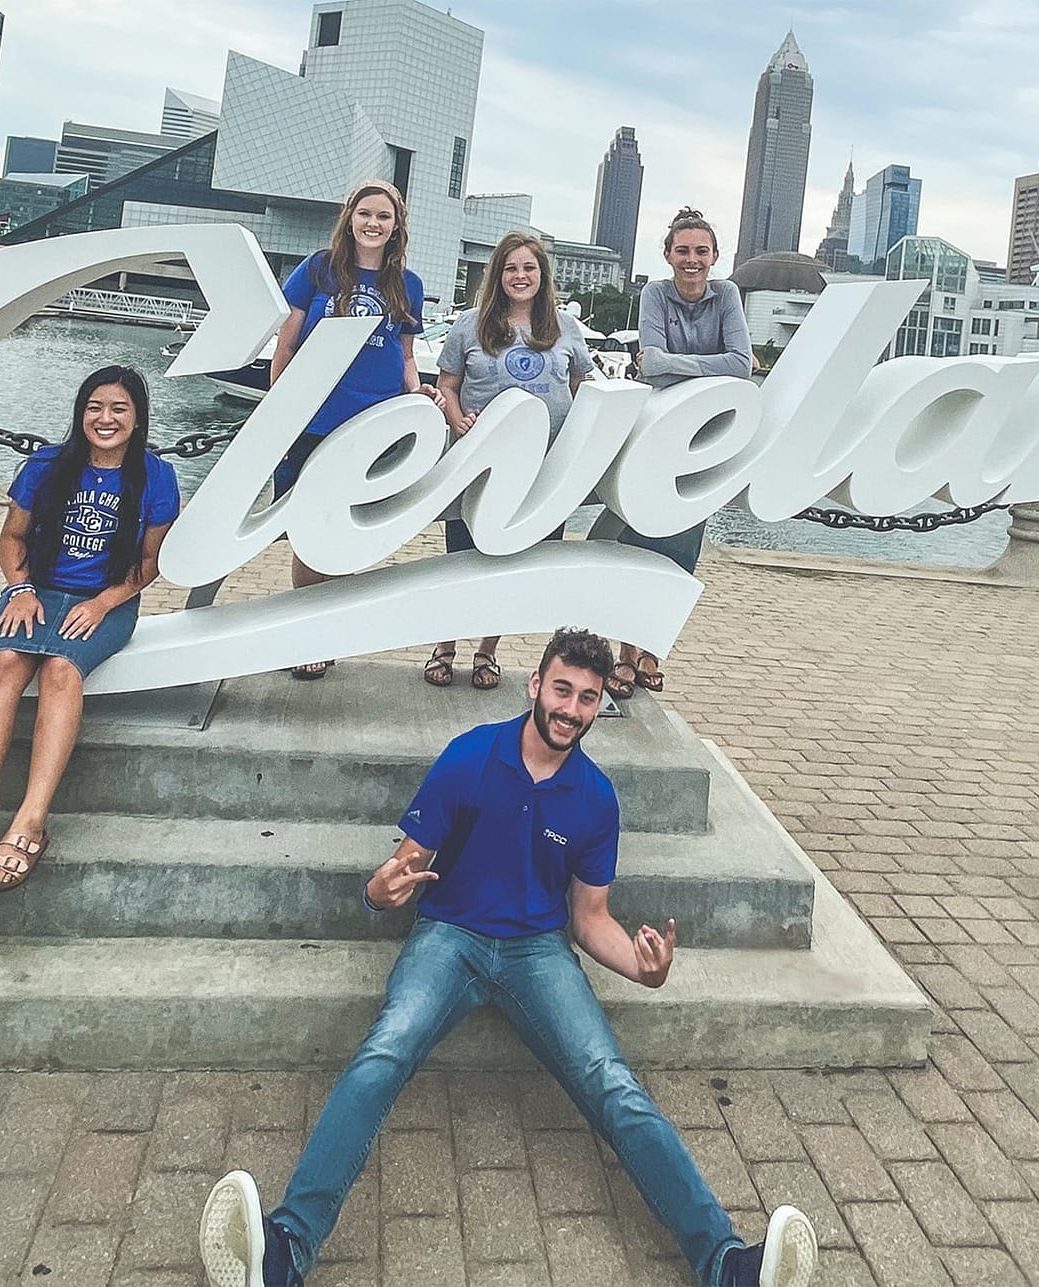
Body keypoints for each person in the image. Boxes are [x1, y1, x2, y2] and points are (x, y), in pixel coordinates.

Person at [198, 628, 819, 1287]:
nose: (571, 708)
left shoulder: (595, 797)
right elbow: (403, 869)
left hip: (537, 952)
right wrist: (379, 892)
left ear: (599, 701)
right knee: (386, 1049)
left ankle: (727, 1262)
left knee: (614, 1083)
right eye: (561, 689)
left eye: (586, 696)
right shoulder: (469, 758)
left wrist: (645, 969)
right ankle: (286, 1249)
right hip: (449, 937)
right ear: (535, 686)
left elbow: (590, 917)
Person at [0, 367, 180, 891]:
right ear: (79, 412)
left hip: (107, 599)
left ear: (137, 419)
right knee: (5, 662)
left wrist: (103, 603)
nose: (104, 419)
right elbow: (13, 538)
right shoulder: (46, 465)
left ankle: (30, 821)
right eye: (94, 407)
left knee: (62, 670)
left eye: (118, 409)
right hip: (34, 591)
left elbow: (151, 561)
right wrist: (19, 589)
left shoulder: (156, 476)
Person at [269, 179, 444, 680]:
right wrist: (282, 405)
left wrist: (417, 395)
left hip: (375, 421)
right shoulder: (318, 269)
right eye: (365, 214)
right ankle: (305, 631)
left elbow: (406, 355)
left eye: (383, 217)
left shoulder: (406, 285)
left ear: (396, 227)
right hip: (317, 419)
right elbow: (287, 343)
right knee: (309, 528)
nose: (373, 223)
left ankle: (326, 632)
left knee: (346, 529)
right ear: (350, 218)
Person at [423, 232, 594, 690]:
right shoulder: (468, 325)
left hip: (540, 466)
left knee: (508, 561)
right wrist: (458, 423)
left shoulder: (564, 327)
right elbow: (449, 387)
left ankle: (486, 652)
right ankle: (443, 646)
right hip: (478, 462)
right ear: (498, 275)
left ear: (542, 275)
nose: (521, 276)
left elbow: (583, 388)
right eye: (512, 268)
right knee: (460, 556)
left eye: (529, 268)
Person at [608, 206, 751, 700]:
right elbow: (654, 373)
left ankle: (651, 648)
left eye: (701, 252)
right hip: (656, 433)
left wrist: (671, 360)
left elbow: (742, 367)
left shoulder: (727, 294)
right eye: (683, 251)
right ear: (668, 255)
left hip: (705, 438)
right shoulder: (654, 293)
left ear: (715, 256)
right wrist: (702, 366)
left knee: (682, 549)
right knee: (641, 539)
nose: (692, 261)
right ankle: (625, 652)